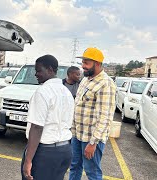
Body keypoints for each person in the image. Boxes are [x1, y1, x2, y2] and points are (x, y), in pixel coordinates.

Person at [21, 55, 75, 180]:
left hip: (45, 153)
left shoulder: (43, 92)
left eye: (39, 70)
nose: (36, 74)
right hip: (65, 151)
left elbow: (37, 127)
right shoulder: (66, 92)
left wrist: (28, 160)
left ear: (50, 69)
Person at [69, 47, 116, 180]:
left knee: (92, 172)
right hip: (78, 134)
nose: (83, 66)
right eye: (83, 62)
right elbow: (78, 104)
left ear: (97, 63)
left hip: (91, 138)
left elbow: (105, 117)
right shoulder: (86, 79)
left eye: (86, 63)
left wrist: (93, 143)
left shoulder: (105, 84)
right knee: (74, 166)